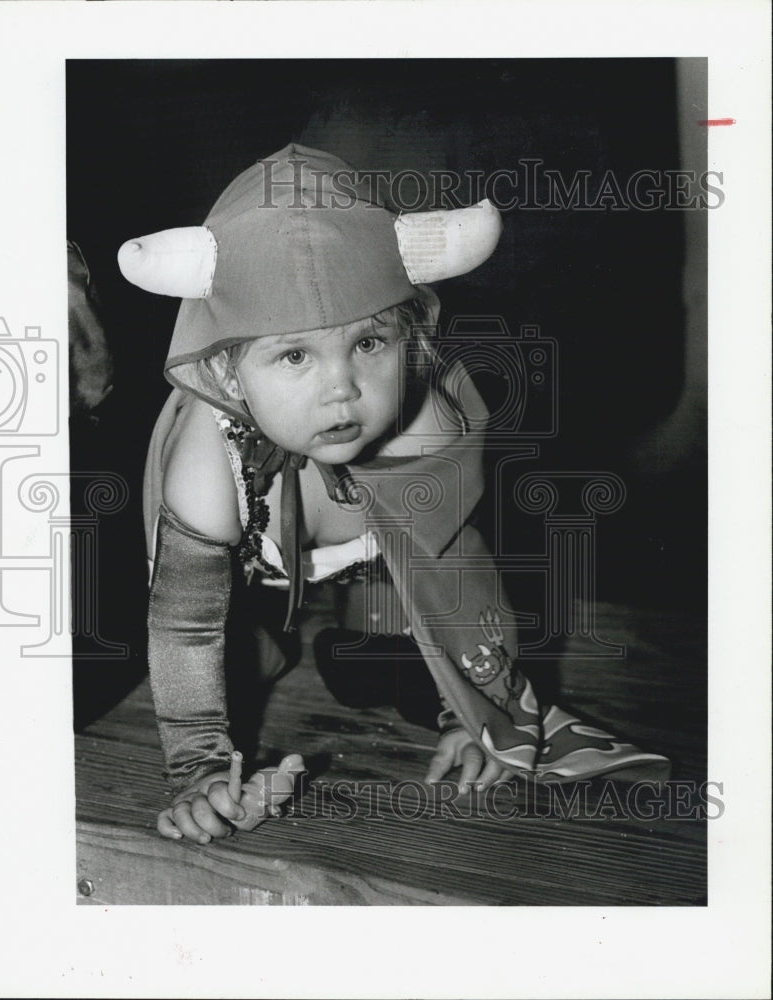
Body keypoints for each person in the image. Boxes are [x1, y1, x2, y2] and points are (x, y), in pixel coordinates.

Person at [119, 144, 669, 845]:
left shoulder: (426, 420)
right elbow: (186, 623)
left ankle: (367, 637)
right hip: (247, 577)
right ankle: (277, 637)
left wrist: (475, 716)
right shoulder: (207, 462)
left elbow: (457, 576)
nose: (341, 388)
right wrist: (199, 771)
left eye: (369, 344)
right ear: (228, 375)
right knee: (239, 661)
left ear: (409, 336)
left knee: (388, 653)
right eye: (294, 355)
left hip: (383, 564)